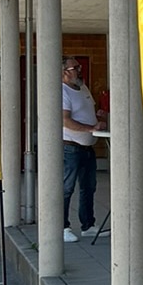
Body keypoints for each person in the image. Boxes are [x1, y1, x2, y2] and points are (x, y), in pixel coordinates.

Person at [61, 57, 100, 243]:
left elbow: (91, 111)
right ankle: (62, 227)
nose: (79, 70)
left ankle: (88, 225)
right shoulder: (62, 91)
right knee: (66, 188)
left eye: (79, 66)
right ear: (64, 72)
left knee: (88, 187)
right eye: (75, 68)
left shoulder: (83, 88)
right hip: (71, 148)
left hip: (87, 147)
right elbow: (65, 120)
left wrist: (100, 118)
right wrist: (89, 129)